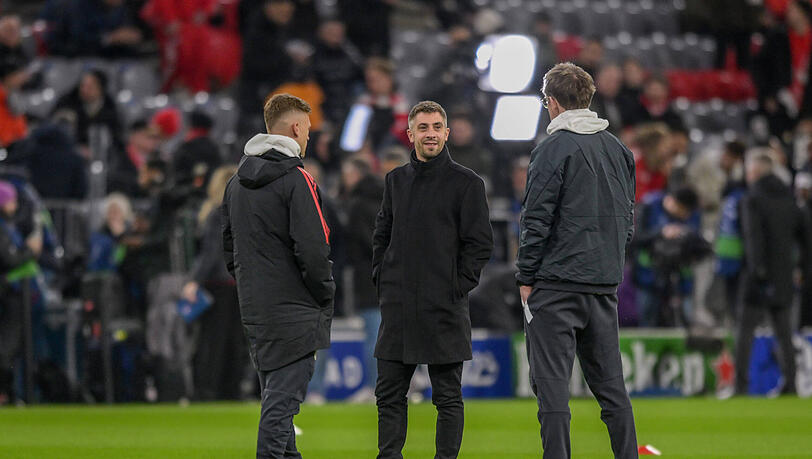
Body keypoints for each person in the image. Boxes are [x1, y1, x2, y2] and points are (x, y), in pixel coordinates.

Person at [516, 63, 637, 459]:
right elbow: (628, 219)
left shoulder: (552, 148)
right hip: (603, 285)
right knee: (612, 391)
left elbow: (536, 218)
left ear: (551, 103)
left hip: (556, 285)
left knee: (552, 391)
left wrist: (526, 275)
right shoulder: (618, 149)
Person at [372, 100, 493, 459]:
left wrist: (456, 286)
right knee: (388, 394)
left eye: (437, 127)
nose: (430, 134)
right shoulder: (395, 180)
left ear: (447, 133)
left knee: (447, 396)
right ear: (410, 134)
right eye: (423, 128)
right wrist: (383, 277)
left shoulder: (467, 183)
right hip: (399, 307)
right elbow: (382, 233)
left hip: (443, 306)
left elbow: (480, 244)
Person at [223, 93, 334, 458]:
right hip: (295, 308)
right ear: (297, 127)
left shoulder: (236, 184)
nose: (308, 138)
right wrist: (324, 295)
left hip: (256, 309)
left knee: (278, 406)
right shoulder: (298, 180)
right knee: (280, 409)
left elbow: (229, 246)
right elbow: (314, 248)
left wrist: (253, 287)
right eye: (307, 130)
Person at [735, 154, 809, 396]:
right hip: (784, 276)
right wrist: (802, 270)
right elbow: (807, 238)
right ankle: (792, 384)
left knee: (745, 332)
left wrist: (758, 273)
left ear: (754, 172)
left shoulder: (752, 199)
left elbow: (753, 238)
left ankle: (740, 386)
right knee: (784, 334)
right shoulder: (790, 199)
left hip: (759, 278)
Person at [342, 157, 383, 401]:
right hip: (392, 279)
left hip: (368, 280)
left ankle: (375, 386)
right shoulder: (385, 200)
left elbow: (368, 244)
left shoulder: (357, 205)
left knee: (373, 337)